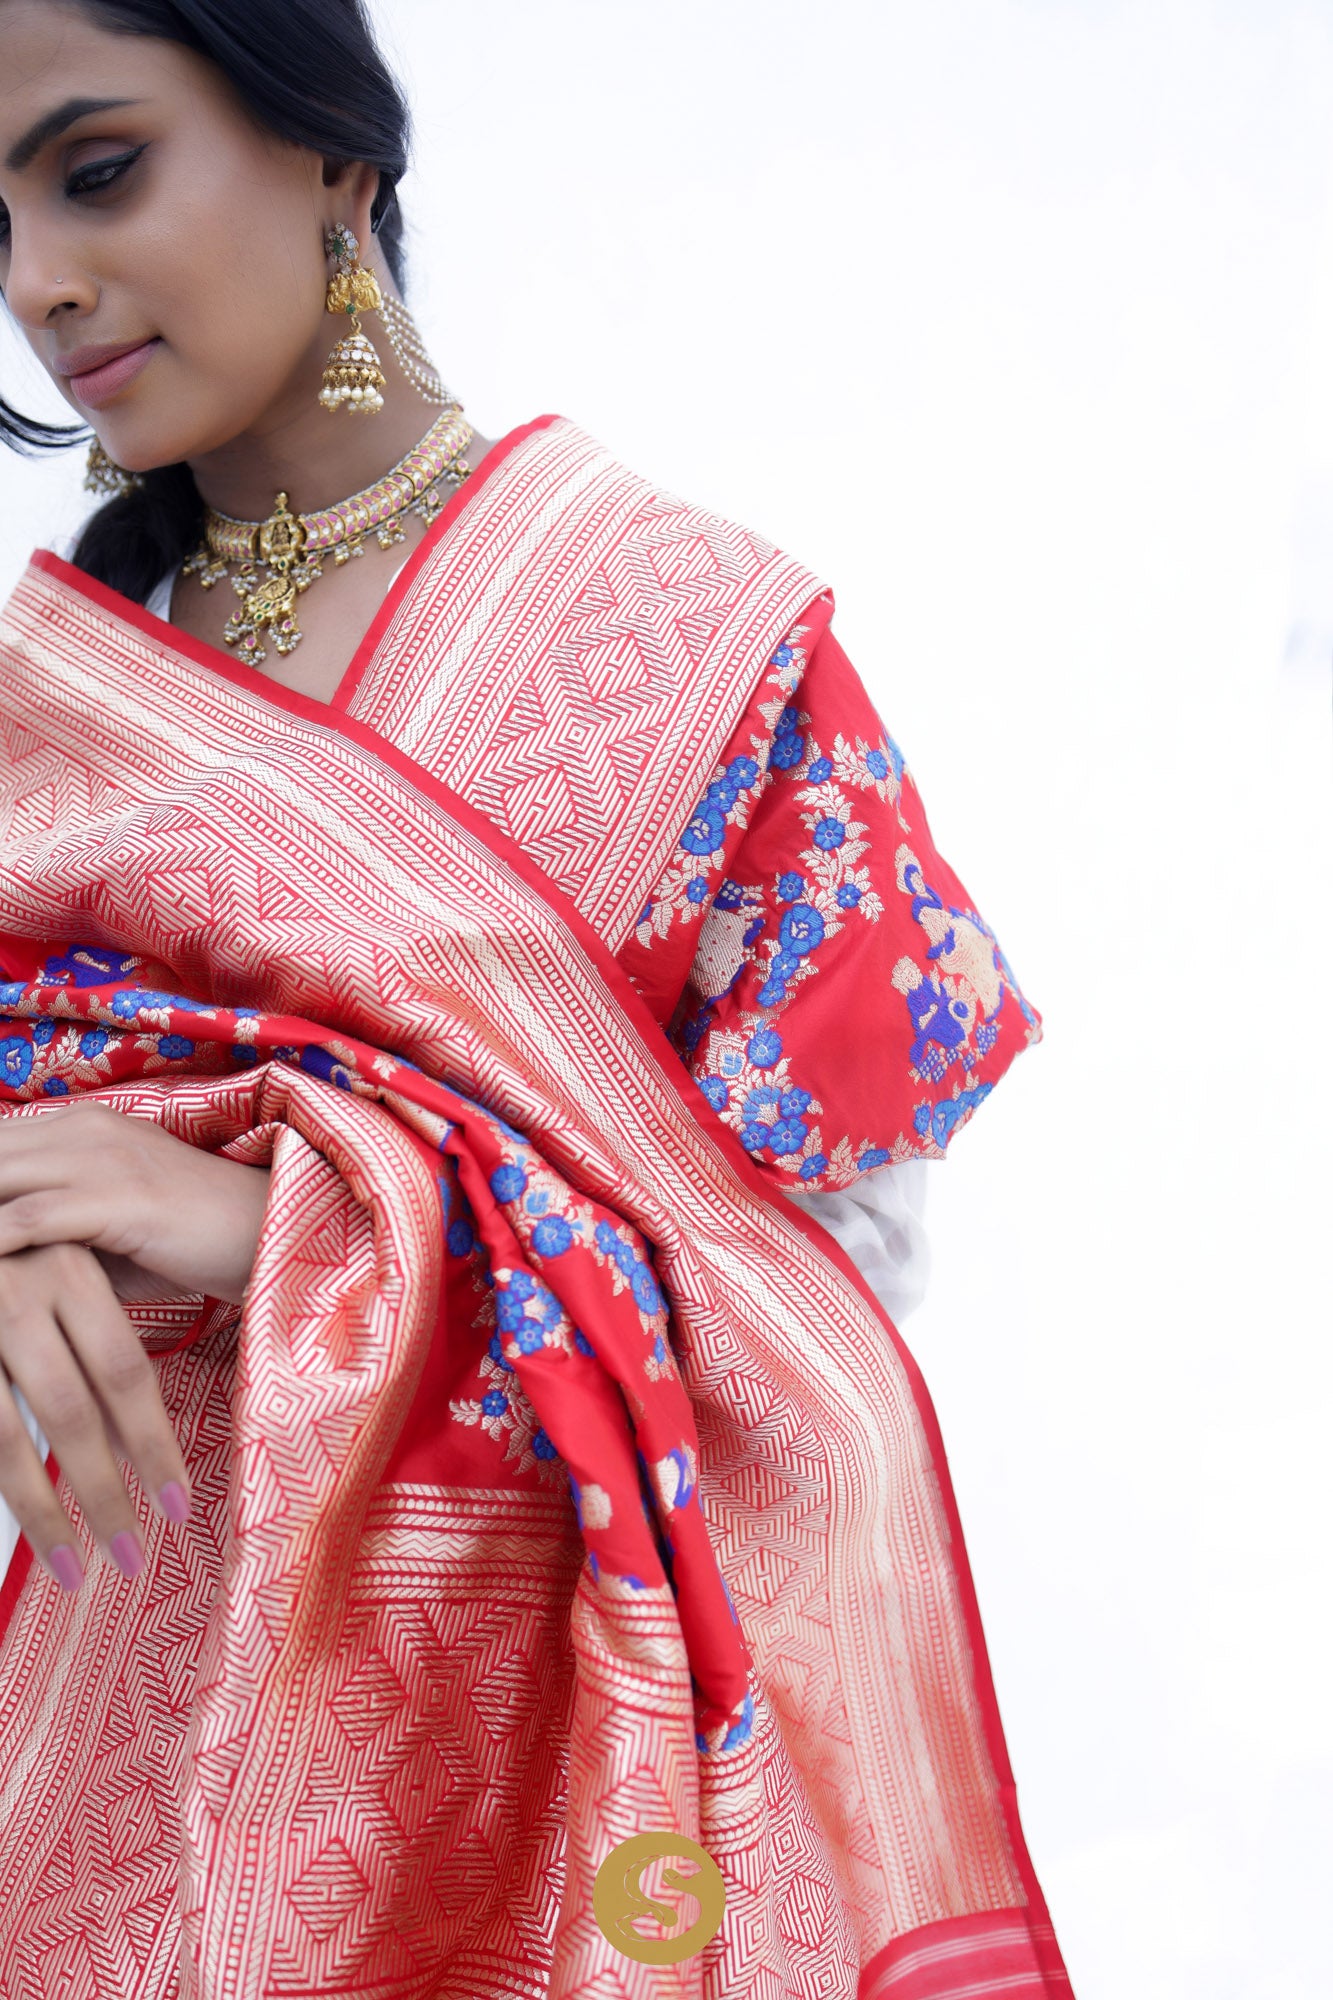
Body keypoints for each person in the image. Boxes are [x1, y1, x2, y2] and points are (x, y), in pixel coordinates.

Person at [0, 4, 1073, 1995]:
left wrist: (298, 1230)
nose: (39, 283)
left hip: (550, 1781)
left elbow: (813, 1301)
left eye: (95, 169)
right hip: (127, 1754)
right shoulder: (67, 722)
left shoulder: (683, 637)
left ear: (336, 150)